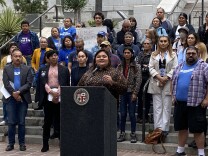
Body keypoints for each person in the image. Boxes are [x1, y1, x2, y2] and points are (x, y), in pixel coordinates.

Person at [172, 46, 208, 156]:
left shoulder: (204, 66)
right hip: (180, 103)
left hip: (196, 103)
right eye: (188, 53)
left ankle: (201, 153)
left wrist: (206, 98)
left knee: (198, 129)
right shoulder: (179, 66)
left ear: (198, 54)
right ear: (185, 54)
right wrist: (173, 96)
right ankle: (180, 151)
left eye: (193, 53)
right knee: (182, 128)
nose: (190, 55)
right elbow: (173, 81)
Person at [35, 50, 70, 152]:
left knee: (60, 120)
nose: (54, 57)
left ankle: (62, 141)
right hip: (47, 96)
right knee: (47, 121)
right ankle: (45, 144)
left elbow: (65, 82)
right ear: (48, 58)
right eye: (52, 56)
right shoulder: (43, 69)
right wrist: (50, 91)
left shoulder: (64, 69)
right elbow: (42, 82)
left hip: (60, 96)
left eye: (55, 55)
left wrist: (58, 92)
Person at [3, 48, 33, 151]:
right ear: (12, 57)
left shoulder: (27, 69)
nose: (18, 58)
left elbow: (29, 83)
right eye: (16, 56)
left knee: (21, 122)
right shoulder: (6, 68)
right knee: (11, 122)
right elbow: (6, 83)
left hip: (22, 99)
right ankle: (11, 144)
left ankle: (22, 143)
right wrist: (13, 93)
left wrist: (19, 92)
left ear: (22, 58)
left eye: (20, 56)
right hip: (10, 99)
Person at [148, 35, 178, 136]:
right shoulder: (153, 54)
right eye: (161, 41)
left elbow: (175, 68)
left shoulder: (173, 54)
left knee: (167, 106)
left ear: (169, 42)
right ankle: (158, 128)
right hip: (156, 81)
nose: (163, 43)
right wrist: (158, 77)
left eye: (165, 41)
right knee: (157, 106)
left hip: (168, 82)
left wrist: (166, 77)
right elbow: (150, 67)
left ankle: (165, 128)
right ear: (158, 43)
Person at [117, 47, 142, 143]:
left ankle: (133, 134)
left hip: (131, 92)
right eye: (125, 53)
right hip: (122, 92)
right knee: (122, 114)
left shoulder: (136, 66)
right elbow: (117, 79)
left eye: (128, 53)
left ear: (132, 54)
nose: (127, 54)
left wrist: (135, 93)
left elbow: (138, 81)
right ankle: (122, 133)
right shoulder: (120, 66)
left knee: (132, 114)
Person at [0, 42, 27, 130]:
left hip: (20, 90)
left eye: (15, 47)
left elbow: (25, 73)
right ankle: (6, 118)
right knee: (5, 102)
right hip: (7, 87)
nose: (13, 49)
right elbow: (2, 71)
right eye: (12, 47)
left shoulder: (22, 59)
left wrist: (18, 92)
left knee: (20, 118)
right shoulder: (5, 59)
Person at [136, 38, 153, 123]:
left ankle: (145, 116)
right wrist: (144, 66)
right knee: (140, 98)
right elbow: (138, 65)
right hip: (140, 78)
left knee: (147, 98)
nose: (146, 45)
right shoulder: (140, 54)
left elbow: (151, 67)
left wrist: (146, 67)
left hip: (149, 79)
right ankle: (139, 116)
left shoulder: (153, 55)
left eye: (148, 43)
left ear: (151, 45)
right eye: (144, 43)